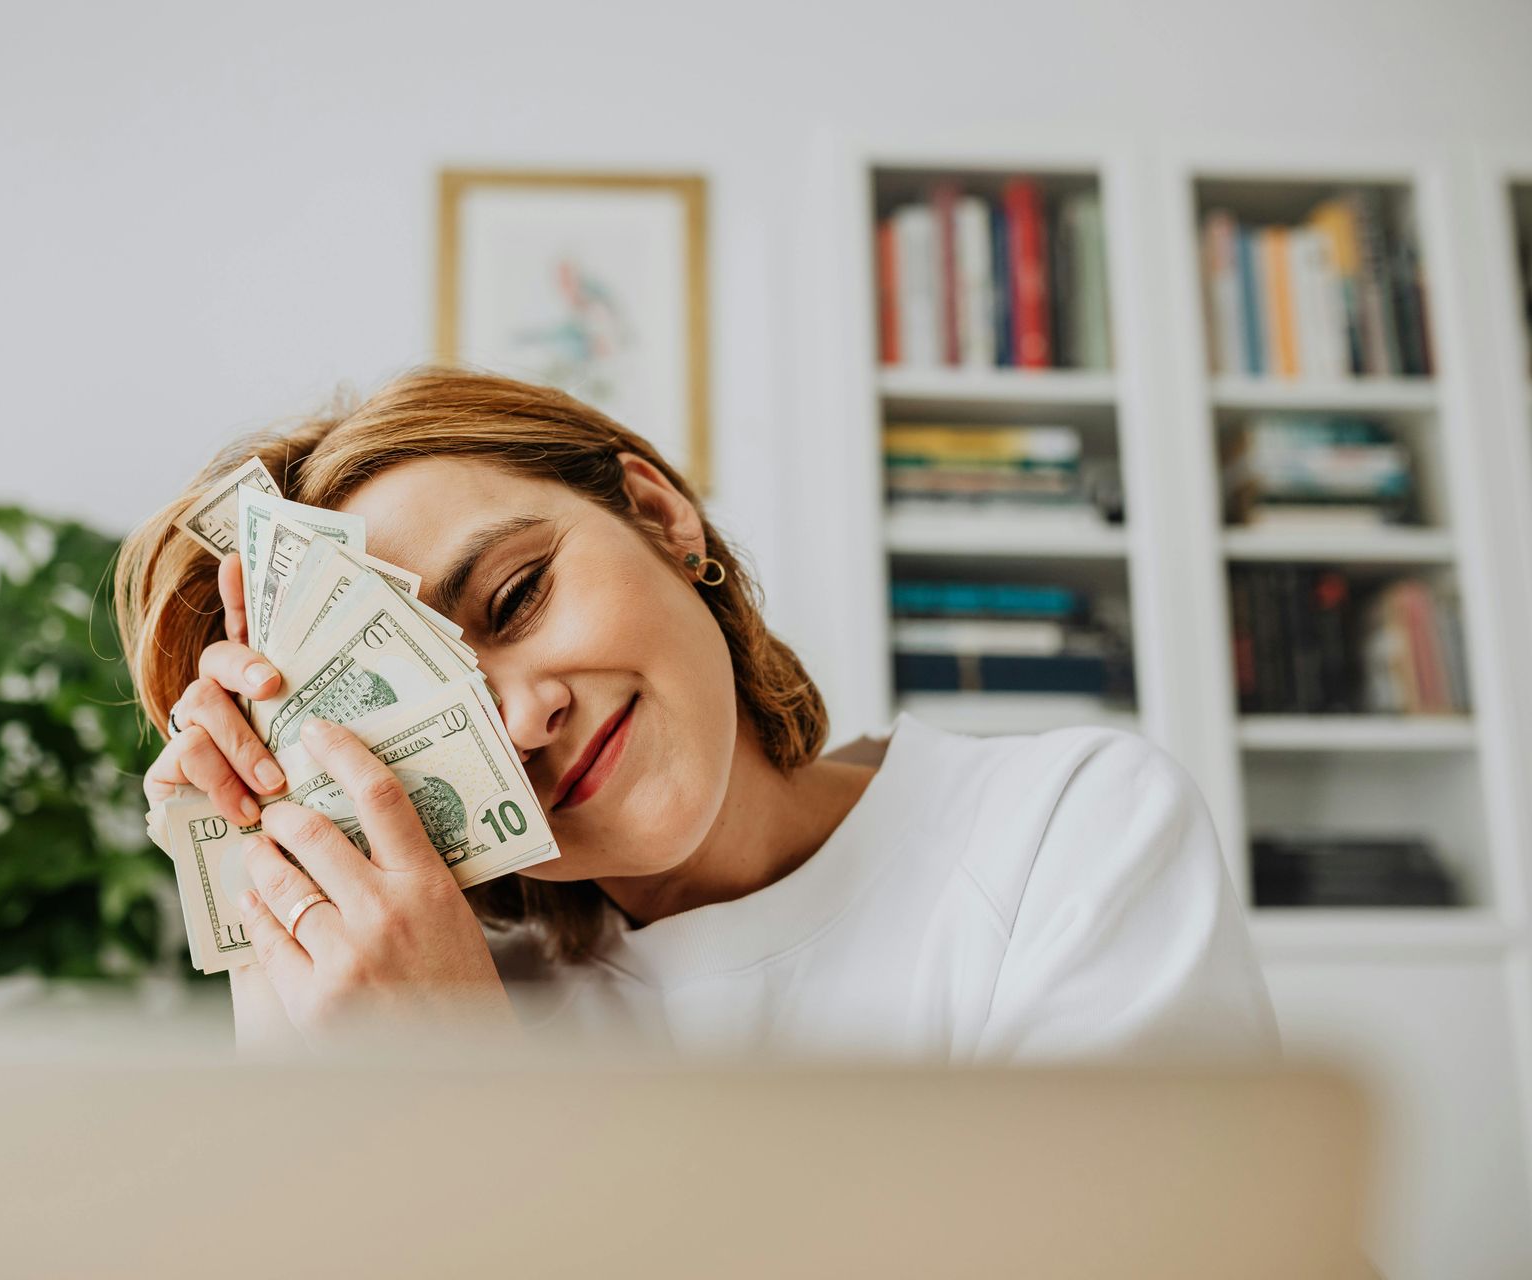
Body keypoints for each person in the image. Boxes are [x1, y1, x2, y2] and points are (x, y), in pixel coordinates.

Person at [115, 367, 1280, 1062]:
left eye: (519, 595)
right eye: (426, 702)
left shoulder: (1058, 831)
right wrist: (276, 978)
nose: (522, 718)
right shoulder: (443, 996)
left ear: (661, 514)